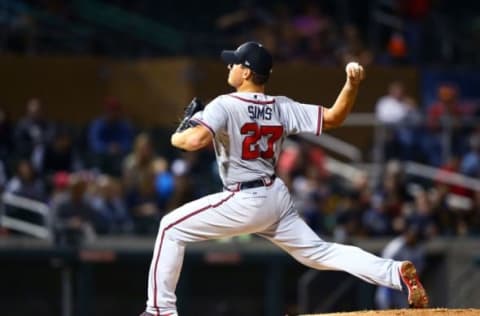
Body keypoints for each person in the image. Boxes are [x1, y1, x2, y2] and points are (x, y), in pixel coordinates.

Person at [139, 42, 429, 316]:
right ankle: (393, 272)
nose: (229, 68)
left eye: (234, 64)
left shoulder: (224, 104)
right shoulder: (280, 105)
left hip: (245, 198)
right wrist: (351, 84)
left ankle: (160, 310)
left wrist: (177, 134)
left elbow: (193, 141)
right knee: (319, 252)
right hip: (274, 196)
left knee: (169, 227)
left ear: (247, 71)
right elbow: (333, 118)